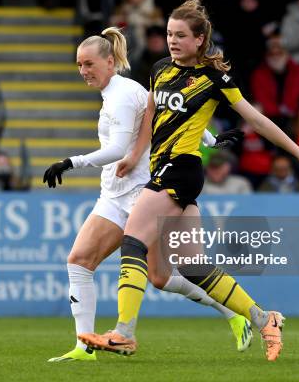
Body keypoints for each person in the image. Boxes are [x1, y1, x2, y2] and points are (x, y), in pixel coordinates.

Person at [78, 0, 299, 362]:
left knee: (132, 241)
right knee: (192, 266)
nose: (172, 40)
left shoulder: (214, 78)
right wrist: (134, 155)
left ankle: (124, 333)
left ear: (199, 40)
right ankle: (265, 319)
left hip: (181, 169)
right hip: (162, 168)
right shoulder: (161, 69)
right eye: (168, 33)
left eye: (180, 35)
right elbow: (151, 113)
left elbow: (256, 120)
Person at [44, 27, 251, 362]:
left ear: (110, 62)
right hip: (114, 192)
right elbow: (169, 115)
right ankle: (85, 347)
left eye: (88, 64)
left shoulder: (123, 94)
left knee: (149, 274)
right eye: (79, 65)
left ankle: (234, 314)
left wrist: (70, 162)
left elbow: (117, 149)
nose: (83, 71)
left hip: (143, 193)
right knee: (116, 269)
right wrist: (211, 139)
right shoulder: (121, 91)